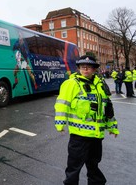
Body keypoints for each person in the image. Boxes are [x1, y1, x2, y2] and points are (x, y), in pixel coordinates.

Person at [54, 55, 119, 185]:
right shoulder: (71, 84)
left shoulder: (100, 85)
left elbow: (107, 108)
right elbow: (62, 104)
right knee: (73, 168)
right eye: (83, 66)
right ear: (78, 68)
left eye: (89, 67)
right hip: (79, 136)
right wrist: (60, 123)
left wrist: (112, 127)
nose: (85, 69)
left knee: (93, 166)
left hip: (96, 136)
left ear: (94, 69)